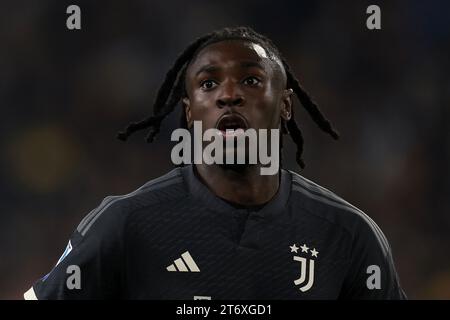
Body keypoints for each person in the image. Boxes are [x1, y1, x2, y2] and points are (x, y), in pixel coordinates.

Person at [24, 26, 406, 299]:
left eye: (251, 81)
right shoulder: (127, 224)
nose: (229, 94)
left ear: (286, 105)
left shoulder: (348, 235)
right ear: (190, 113)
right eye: (209, 84)